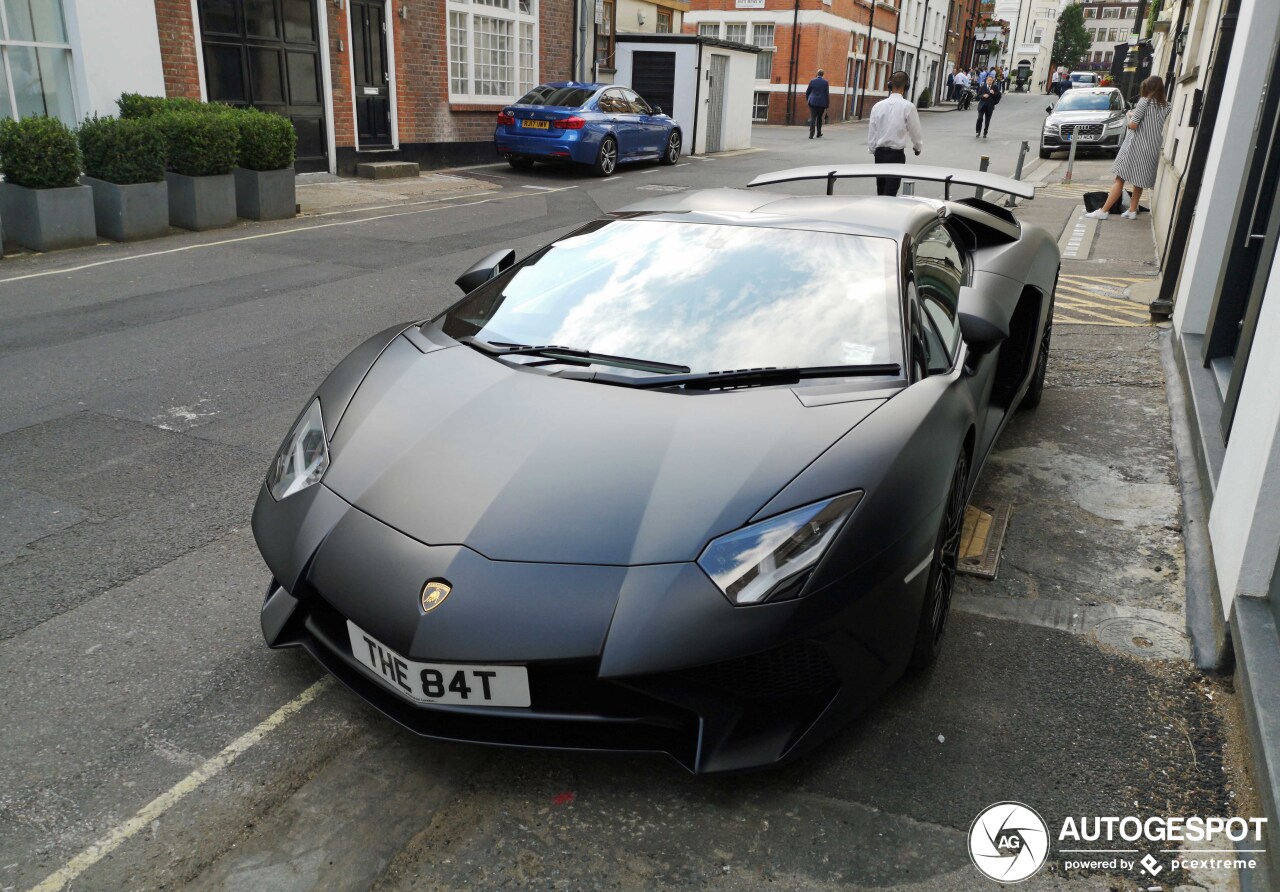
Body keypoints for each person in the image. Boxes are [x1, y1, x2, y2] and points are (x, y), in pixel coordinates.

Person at [1085, 76, 1171, 220]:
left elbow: (1133, 125)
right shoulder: (1167, 106)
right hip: (1153, 147)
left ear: (1148, 87)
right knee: (1139, 179)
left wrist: (1130, 116)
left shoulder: (1144, 102)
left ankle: (1104, 211)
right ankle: (1132, 210)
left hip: (1136, 144)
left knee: (1120, 178)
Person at [867, 70, 923, 196]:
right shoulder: (908, 107)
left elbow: (873, 131)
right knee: (891, 192)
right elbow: (915, 130)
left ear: (889, 85)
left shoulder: (877, 106)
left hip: (880, 154)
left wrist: (874, 150)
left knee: (880, 191)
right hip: (896, 155)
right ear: (906, 87)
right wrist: (917, 147)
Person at [806, 70, 830, 138]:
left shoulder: (812, 81)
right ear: (823, 75)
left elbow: (807, 91)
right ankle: (818, 133)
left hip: (812, 102)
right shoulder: (825, 82)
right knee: (819, 118)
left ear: (817, 74)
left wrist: (808, 99)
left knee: (813, 118)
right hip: (821, 103)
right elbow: (826, 94)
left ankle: (811, 135)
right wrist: (827, 104)